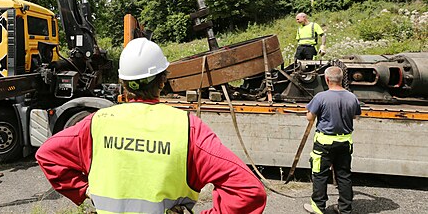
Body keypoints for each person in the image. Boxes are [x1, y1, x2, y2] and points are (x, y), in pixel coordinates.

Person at [36, 38, 267, 213]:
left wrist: (83, 190)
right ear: (163, 80)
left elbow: (48, 154)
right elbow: (248, 190)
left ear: (123, 83)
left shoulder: (97, 123)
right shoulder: (188, 128)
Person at [303, 66, 361, 214]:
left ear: (327, 79)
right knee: (344, 175)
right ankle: (345, 208)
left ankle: (318, 207)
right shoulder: (352, 97)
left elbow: (310, 117)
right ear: (342, 79)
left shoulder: (321, 97)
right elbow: (356, 116)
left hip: (324, 144)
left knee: (320, 175)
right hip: (345, 143)